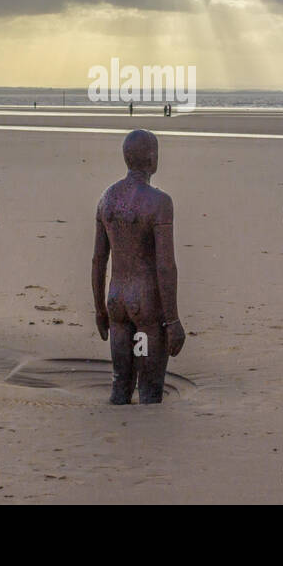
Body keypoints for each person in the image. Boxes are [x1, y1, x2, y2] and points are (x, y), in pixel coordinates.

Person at [91, 129, 185, 404]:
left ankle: (117, 438)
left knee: (120, 384)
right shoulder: (159, 202)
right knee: (150, 389)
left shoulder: (106, 199)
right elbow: (165, 266)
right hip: (146, 304)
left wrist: (99, 309)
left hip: (117, 301)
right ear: (152, 158)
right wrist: (173, 320)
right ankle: (146, 439)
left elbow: (99, 260)